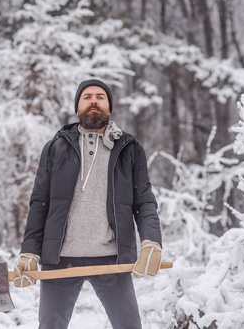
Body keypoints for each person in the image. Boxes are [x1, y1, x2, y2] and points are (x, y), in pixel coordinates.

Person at [14, 79, 162, 329]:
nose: (94, 100)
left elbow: (144, 200)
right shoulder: (54, 148)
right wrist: (30, 252)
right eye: (87, 96)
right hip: (60, 258)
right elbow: (40, 203)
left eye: (100, 96)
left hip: (111, 259)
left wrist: (151, 241)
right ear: (77, 108)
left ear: (109, 108)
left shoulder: (129, 148)